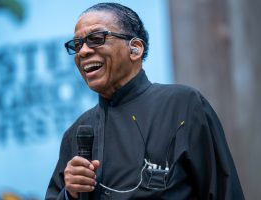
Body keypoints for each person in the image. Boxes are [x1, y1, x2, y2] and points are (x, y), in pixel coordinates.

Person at [45, 3, 244, 200]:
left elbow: (223, 191)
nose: (83, 52)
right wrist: (69, 194)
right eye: (77, 45)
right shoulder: (77, 131)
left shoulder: (183, 105)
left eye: (96, 39)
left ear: (135, 49)